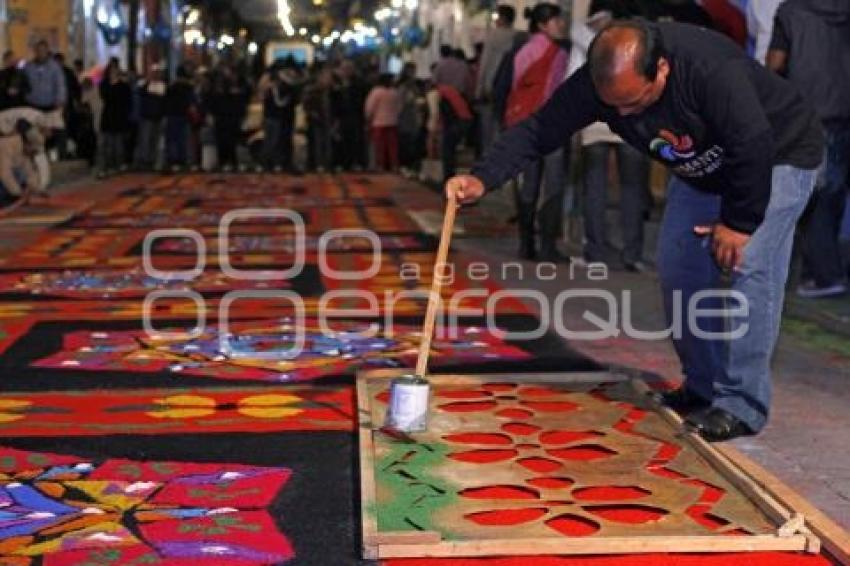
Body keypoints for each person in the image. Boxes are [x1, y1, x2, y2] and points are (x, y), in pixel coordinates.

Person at [446, 20, 823, 442]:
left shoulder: (710, 69)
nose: (626, 117)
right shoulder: (596, 84)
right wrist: (483, 178)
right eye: (616, 108)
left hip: (778, 156)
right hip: (703, 171)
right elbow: (539, 130)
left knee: (750, 265)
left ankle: (741, 404)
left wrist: (738, 223)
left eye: (636, 103)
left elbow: (752, 142)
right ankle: (702, 387)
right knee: (678, 266)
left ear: (661, 69)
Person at [767, 0, 850, 298]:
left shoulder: (791, 11)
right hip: (845, 111)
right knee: (834, 193)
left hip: (811, 113)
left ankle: (824, 274)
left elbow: (775, 63)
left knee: (813, 196)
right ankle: (830, 268)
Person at [571, 1, 651, 270]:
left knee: (594, 187)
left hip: (595, 118)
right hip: (632, 116)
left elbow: (572, 78)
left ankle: (595, 252)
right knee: (632, 187)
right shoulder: (637, 37)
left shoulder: (583, 37)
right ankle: (633, 254)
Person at [505, 3, 570, 262]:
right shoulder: (559, 53)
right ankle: (547, 246)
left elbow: (515, 87)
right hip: (551, 125)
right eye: (556, 21)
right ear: (543, 25)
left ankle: (526, 244)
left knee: (528, 186)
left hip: (525, 124)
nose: (561, 25)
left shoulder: (523, 51)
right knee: (553, 185)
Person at [476, 5, 519, 153]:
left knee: (489, 130)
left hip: (492, 86)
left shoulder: (493, 36)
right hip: (512, 87)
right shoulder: (519, 36)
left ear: (501, 18)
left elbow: (485, 64)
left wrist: (479, 90)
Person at [209, 63, 250, 172]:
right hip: (223, 118)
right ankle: (224, 162)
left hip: (231, 119)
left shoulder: (238, 90)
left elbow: (243, 103)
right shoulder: (219, 90)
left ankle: (231, 162)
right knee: (223, 141)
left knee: (231, 142)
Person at [263, 60, 300, 172]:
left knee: (286, 141)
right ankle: (271, 164)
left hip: (287, 117)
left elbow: (295, 99)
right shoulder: (272, 85)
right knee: (273, 141)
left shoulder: (291, 85)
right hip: (274, 117)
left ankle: (285, 163)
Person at [98, 63, 132, 175]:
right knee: (106, 144)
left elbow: (127, 102)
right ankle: (106, 166)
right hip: (108, 117)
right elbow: (105, 96)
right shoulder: (104, 85)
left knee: (118, 144)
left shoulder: (124, 86)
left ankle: (118, 164)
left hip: (119, 117)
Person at [365, 73, 402, 172]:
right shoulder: (395, 92)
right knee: (392, 146)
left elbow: (369, 108)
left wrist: (368, 118)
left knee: (379, 146)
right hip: (392, 122)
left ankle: (380, 165)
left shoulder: (376, 92)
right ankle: (394, 165)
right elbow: (399, 108)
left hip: (378, 122)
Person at [164, 65, 197, 171]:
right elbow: (191, 102)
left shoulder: (172, 86)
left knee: (175, 139)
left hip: (174, 115)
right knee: (181, 139)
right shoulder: (188, 87)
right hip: (181, 115)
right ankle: (181, 161)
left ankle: (175, 161)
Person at [134, 65, 167, 170]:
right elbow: (141, 93)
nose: (156, 75)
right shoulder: (145, 84)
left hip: (157, 117)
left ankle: (152, 160)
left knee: (154, 140)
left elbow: (163, 101)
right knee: (145, 139)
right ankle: (144, 160)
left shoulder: (163, 85)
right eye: (154, 73)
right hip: (147, 117)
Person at [303, 67, 336, 172]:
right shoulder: (313, 91)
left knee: (327, 143)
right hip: (317, 121)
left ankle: (327, 164)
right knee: (318, 143)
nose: (329, 80)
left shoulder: (332, 91)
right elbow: (307, 105)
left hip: (328, 120)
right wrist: (313, 114)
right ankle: (318, 164)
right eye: (326, 77)